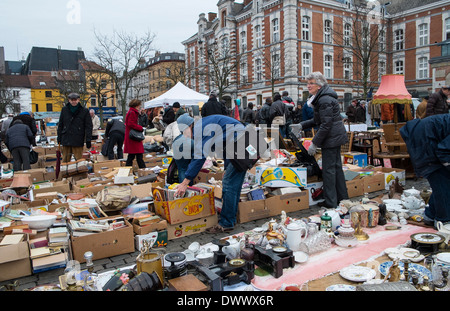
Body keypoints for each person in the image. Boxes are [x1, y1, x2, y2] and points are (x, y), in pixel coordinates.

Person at [174, 114, 250, 233]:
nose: (187, 137)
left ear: (188, 126)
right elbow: (225, 145)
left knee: (229, 185)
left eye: (185, 133)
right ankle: (230, 219)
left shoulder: (200, 128)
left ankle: (226, 223)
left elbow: (200, 156)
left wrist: (185, 181)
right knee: (233, 186)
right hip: (239, 143)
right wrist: (226, 168)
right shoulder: (203, 125)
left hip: (240, 144)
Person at [290, 72, 349, 209]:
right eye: (307, 83)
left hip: (331, 138)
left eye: (311, 83)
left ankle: (331, 203)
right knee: (336, 169)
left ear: (319, 85)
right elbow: (318, 120)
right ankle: (342, 199)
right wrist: (301, 125)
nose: (308, 86)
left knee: (329, 171)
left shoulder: (324, 99)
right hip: (334, 137)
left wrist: (314, 143)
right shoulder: (322, 97)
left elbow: (326, 125)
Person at [400, 114, 450, 227]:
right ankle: (444, 221)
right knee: (441, 180)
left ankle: (430, 215)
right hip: (425, 141)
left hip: (428, 138)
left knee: (442, 183)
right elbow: (444, 151)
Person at [57, 93, 93, 162]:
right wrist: (59, 137)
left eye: (75, 100)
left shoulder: (84, 111)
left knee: (79, 161)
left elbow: (88, 126)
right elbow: (60, 124)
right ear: (69, 100)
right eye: (72, 100)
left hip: (78, 139)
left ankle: (80, 173)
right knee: (65, 160)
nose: (74, 101)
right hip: (66, 138)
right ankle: (64, 172)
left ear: (78, 100)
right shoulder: (64, 110)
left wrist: (88, 139)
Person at [172, 113, 195, 184]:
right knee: (185, 170)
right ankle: (187, 188)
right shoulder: (188, 139)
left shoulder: (177, 138)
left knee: (181, 169)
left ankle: (183, 188)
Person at [124, 99, 146, 169]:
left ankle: (128, 171)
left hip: (132, 137)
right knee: (138, 155)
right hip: (134, 137)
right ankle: (143, 170)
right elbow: (131, 124)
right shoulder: (133, 112)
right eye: (139, 105)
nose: (140, 106)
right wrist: (140, 128)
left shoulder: (131, 112)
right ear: (136, 105)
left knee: (131, 156)